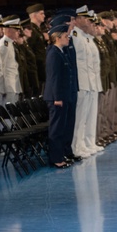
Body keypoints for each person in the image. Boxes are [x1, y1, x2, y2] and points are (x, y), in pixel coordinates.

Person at [43, 19, 76, 169]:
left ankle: (62, 154)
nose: (67, 38)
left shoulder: (61, 52)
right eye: (65, 36)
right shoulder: (53, 53)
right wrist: (57, 98)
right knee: (56, 129)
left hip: (64, 95)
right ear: (57, 38)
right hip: (57, 98)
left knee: (63, 127)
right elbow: (54, 77)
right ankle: (56, 158)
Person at [72, 6, 104, 157]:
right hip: (81, 82)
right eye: (85, 18)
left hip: (92, 82)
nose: (90, 23)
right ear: (77, 20)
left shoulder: (88, 39)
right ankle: (77, 146)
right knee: (80, 117)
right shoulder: (75, 35)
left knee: (90, 115)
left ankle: (88, 142)